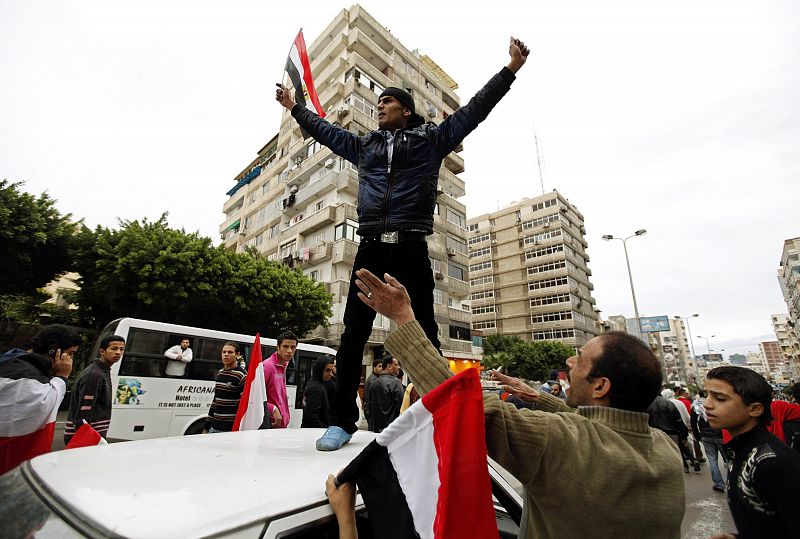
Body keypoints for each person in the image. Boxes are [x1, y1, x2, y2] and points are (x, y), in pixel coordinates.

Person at [276, 37, 530, 451]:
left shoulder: (431, 140)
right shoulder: (365, 146)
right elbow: (325, 131)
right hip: (371, 246)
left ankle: (440, 414)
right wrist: (294, 108)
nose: (379, 106)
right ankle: (342, 422)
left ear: (405, 110)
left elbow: (474, 111)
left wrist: (510, 70)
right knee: (354, 332)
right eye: (377, 102)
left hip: (411, 246)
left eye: (387, 102)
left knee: (425, 330)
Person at [353, 269, 685, 538]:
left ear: (600, 386)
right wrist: (539, 397)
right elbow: (598, 428)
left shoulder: (560, 440)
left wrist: (403, 317)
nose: (569, 362)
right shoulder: (664, 449)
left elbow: (464, 406)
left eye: (580, 359)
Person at [704, 366, 800, 539]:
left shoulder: (772, 463)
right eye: (707, 395)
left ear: (755, 409)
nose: (707, 404)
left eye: (720, 398)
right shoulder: (740, 450)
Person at [0, 325, 81, 474]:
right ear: (53, 351)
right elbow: (43, 404)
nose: (70, 360)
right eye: (70, 353)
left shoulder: (10, 360)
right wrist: (62, 376)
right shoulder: (27, 375)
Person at [64, 335, 125, 444]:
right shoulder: (95, 375)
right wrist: (88, 438)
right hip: (86, 436)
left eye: (121, 349)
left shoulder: (102, 371)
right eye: (114, 348)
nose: (118, 353)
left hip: (91, 434)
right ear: (102, 351)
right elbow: (84, 412)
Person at [647, 392, 700, 473]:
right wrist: (684, 435)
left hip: (655, 433)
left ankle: (679, 467)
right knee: (677, 450)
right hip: (672, 433)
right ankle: (688, 463)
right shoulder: (669, 403)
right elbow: (678, 420)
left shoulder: (648, 404)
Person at [203, 342, 247, 433]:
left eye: (230, 352)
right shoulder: (220, 373)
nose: (226, 355)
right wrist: (206, 427)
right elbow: (215, 401)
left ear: (237, 355)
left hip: (230, 430)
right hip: (214, 427)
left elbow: (245, 404)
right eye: (224, 352)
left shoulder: (242, 375)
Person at [690, 390, 728, 492]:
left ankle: (719, 484)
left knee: (712, 461)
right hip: (720, 435)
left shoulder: (696, 406)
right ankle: (732, 482)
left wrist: (698, 436)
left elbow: (693, 423)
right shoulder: (717, 404)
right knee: (728, 459)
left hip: (705, 436)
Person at [263, 331, 298, 428]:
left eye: (293, 347)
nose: (289, 351)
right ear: (278, 347)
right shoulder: (267, 366)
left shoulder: (284, 365)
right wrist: (273, 409)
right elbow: (253, 397)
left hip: (280, 426)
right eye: (285, 346)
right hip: (269, 424)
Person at [367, 356, 404, 433]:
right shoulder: (396, 382)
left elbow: (370, 406)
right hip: (391, 428)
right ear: (389, 366)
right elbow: (401, 405)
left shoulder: (374, 383)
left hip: (376, 428)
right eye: (396, 365)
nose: (399, 367)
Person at [302, 356, 336, 428]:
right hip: (314, 431)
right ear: (320, 369)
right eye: (327, 370)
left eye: (331, 370)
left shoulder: (318, 384)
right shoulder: (316, 388)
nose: (330, 374)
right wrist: (323, 428)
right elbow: (312, 417)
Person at [361, 358, 382, 424]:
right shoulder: (374, 380)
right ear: (374, 368)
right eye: (379, 366)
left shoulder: (375, 378)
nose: (381, 368)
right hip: (371, 409)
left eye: (382, 366)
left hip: (370, 408)